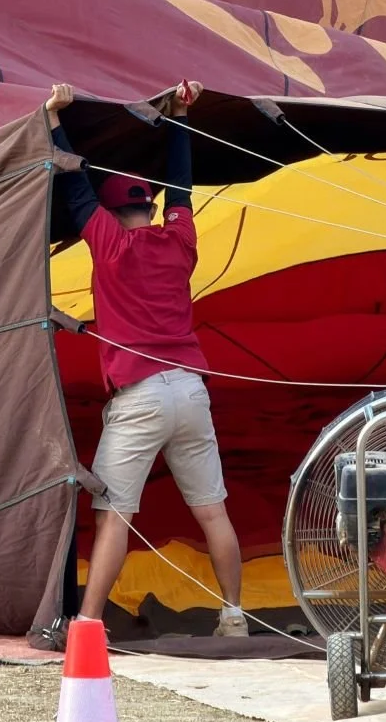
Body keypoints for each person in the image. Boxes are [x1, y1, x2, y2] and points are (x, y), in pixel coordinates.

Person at [42, 79, 246, 646]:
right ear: (152, 206)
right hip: (190, 390)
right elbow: (182, 184)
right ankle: (233, 617)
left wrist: (55, 118)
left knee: (115, 517)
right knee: (214, 513)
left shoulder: (106, 243)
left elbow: (73, 181)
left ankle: (86, 626)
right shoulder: (180, 241)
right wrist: (181, 116)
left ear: (112, 210)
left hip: (140, 398)